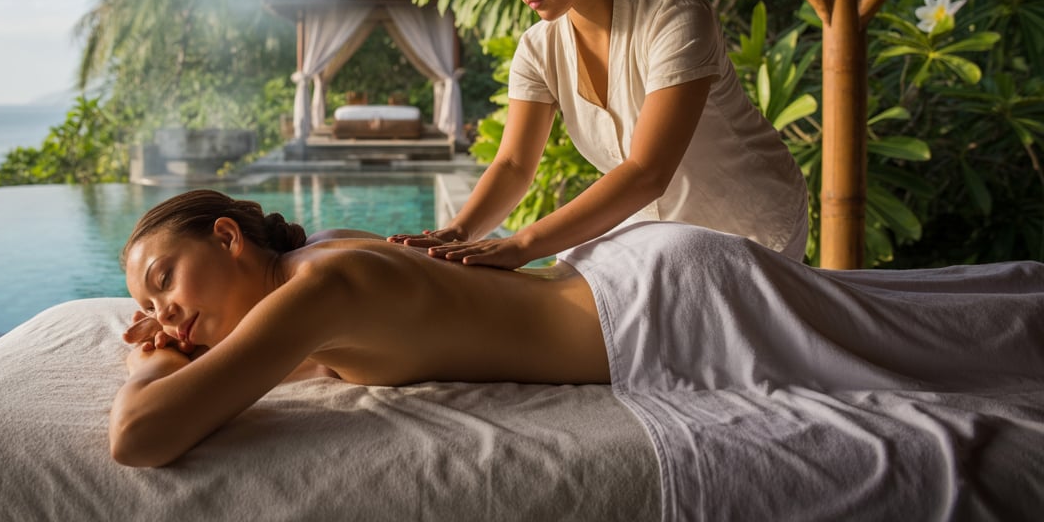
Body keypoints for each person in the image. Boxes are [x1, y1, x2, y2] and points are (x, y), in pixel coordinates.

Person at [108, 190, 1044, 469]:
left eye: (164, 281)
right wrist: (182, 337)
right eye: (147, 308)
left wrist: (149, 366)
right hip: (641, 282)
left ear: (228, 237)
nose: (163, 313)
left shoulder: (312, 293)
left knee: (936, 347)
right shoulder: (323, 262)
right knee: (911, 318)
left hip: (665, 312)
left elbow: (143, 439)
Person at [391, 0, 808, 267]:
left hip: (754, 225)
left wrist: (522, 244)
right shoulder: (538, 49)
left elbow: (648, 171)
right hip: (662, 235)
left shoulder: (674, 15)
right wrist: (458, 231)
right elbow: (514, 164)